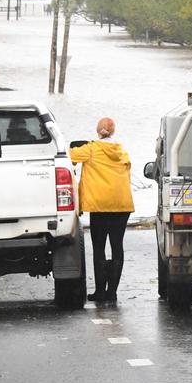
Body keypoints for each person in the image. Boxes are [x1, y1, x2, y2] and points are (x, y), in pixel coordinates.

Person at [70, 117, 133, 304]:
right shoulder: (122, 150)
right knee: (117, 246)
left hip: (100, 206)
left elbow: (68, 156)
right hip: (122, 205)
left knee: (99, 248)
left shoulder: (90, 149)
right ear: (113, 132)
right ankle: (112, 292)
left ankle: (99, 291)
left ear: (98, 131)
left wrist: (78, 145)